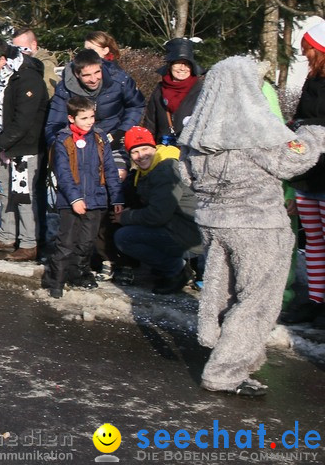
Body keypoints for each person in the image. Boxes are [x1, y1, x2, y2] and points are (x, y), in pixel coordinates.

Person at [181, 56, 325, 396]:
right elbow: (295, 157)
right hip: (258, 226)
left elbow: (184, 174)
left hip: (214, 224)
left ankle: (222, 346)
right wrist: (313, 133)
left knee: (223, 290)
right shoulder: (255, 130)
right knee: (258, 301)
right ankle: (226, 371)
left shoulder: (199, 136)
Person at [43, 96, 124, 298]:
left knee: (87, 241)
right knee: (66, 242)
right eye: (84, 118)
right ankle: (56, 279)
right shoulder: (63, 139)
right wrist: (75, 199)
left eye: (92, 117)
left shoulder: (99, 137)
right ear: (72, 118)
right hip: (71, 201)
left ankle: (78, 273)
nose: (89, 121)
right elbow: (63, 173)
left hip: (96, 198)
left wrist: (117, 198)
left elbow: (110, 169)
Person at [0, 37, 49, 261]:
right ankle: (7, 235)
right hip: (5, 146)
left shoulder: (28, 80)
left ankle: (28, 242)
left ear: (4, 59)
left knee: (23, 196)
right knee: (6, 193)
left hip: (24, 147)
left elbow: (23, 121)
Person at [113, 126, 201, 293]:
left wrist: (124, 218)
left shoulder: (165, 169)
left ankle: (177, 270)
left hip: (188, 234)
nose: (141, 156)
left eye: (145, 149)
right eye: (135, 152)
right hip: (177, 227)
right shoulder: (148, 170)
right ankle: (170, 266)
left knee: (124, 237)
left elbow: (158, 215)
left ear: (154, 147)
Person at [280, 22, 325, 327]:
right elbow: (301, 116)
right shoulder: (311, 79)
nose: (304, 53)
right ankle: (315, 300)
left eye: (307, 48)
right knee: (314, 243)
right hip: (308, 174)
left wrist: (308, 125)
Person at [142, 38, 204, 144]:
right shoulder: (159, 90)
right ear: (170, 66)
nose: (182, 68)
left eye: (186, 64)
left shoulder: (202, 91)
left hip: (191, 150)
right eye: (178, 63)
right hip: (163, 151)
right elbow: (150, 124)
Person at [10, 28, 58, 98]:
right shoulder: (18, 63)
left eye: (21, 48)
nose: (18, 52)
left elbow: (50, 93)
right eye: (16, 49)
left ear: (33, 45)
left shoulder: (46, 65)